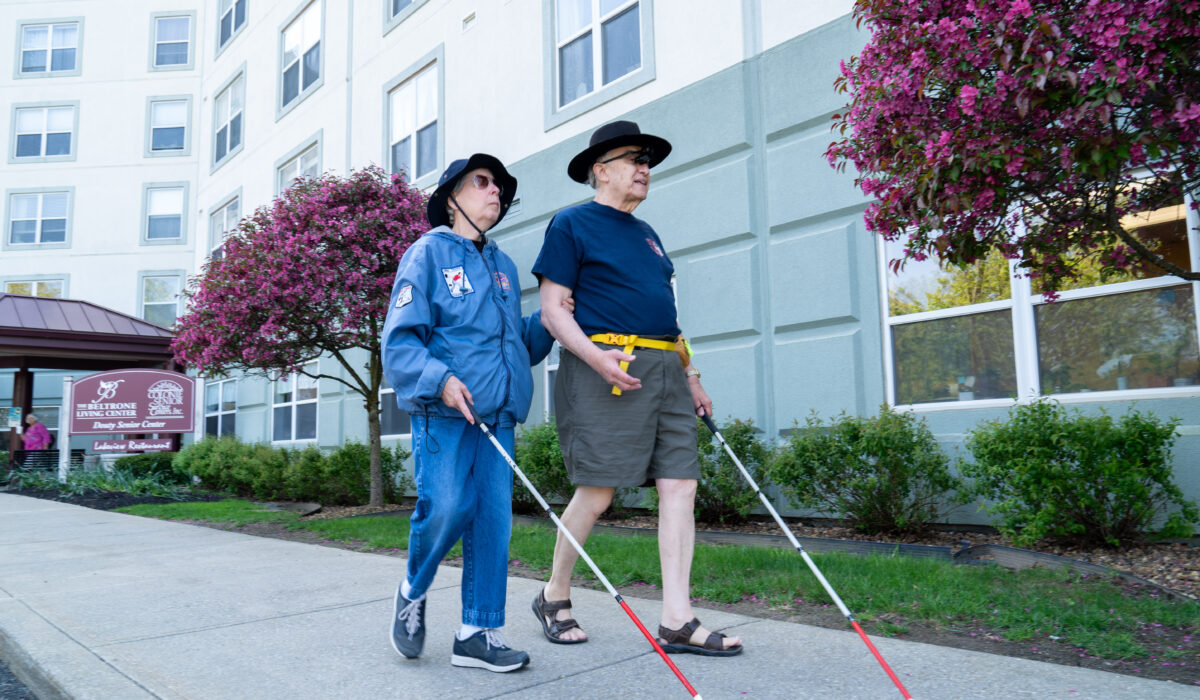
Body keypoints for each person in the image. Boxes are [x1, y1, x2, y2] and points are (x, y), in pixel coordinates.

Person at [530, 121, 743, 656]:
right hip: (609, 366)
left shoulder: (649, 235)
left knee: (680, 486)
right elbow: (553, 310)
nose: (645, 168)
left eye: (648, 160)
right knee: (598, 491)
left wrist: (691, 374)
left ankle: (677, 619)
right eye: (634, 159)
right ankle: (554, 593)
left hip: (667, 370)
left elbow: (667, 313)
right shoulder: (572, 223)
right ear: (601, 170)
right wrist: (596, 359)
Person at [382, 154, 568, 673]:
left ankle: (477, 631)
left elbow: (516, 347)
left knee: (492, 523)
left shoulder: (505, 266)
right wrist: (440, 380)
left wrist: (550, 320)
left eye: (500, 188)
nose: (495, 193)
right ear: (452, 197)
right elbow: (399, 342)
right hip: (445, 416)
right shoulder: (425, 255)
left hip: (498, 420)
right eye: (482, 182)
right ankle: (413, 589)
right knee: (446, 507)